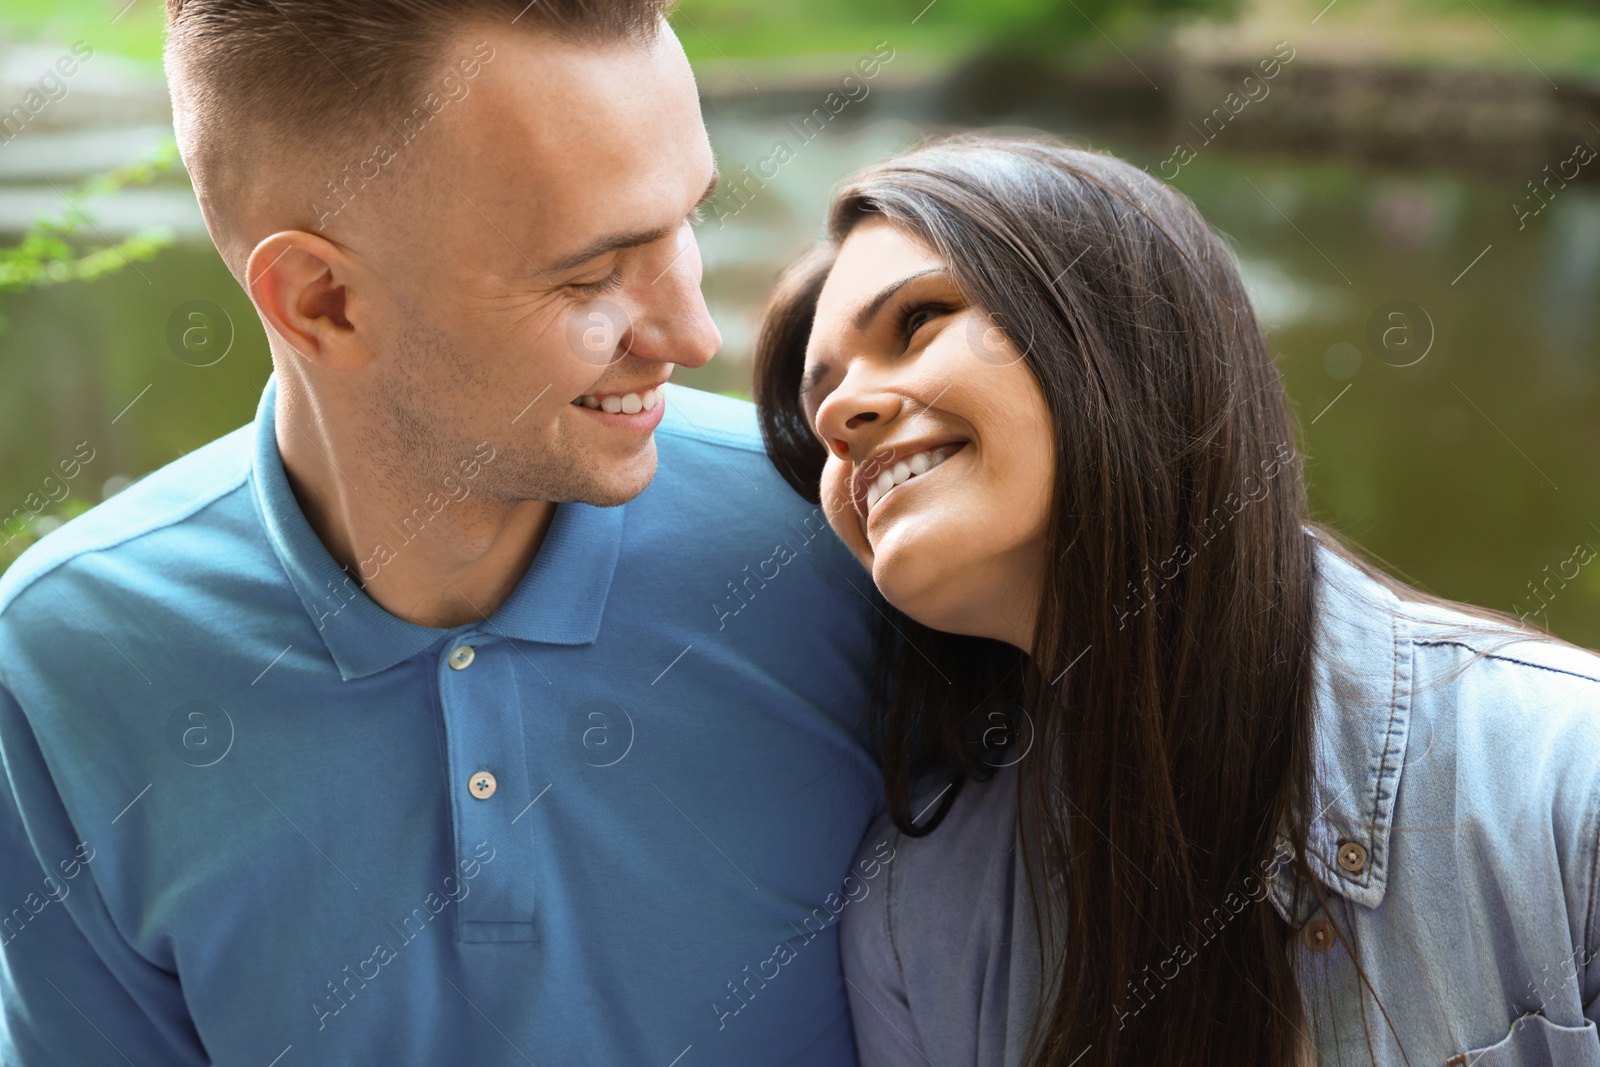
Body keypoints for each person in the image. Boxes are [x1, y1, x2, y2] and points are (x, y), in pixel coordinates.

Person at [0, 2, 886, 1064]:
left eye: (686, 221)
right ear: (322, 299)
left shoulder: (852, 533)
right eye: (589, 275)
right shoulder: (69, 659)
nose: (692, 333)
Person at [753, 133, 1600, 1067]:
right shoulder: (912, 925)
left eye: (917, 321)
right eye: (823, 400)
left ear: (1126, 333)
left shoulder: (1566, 780)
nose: (840, 414)